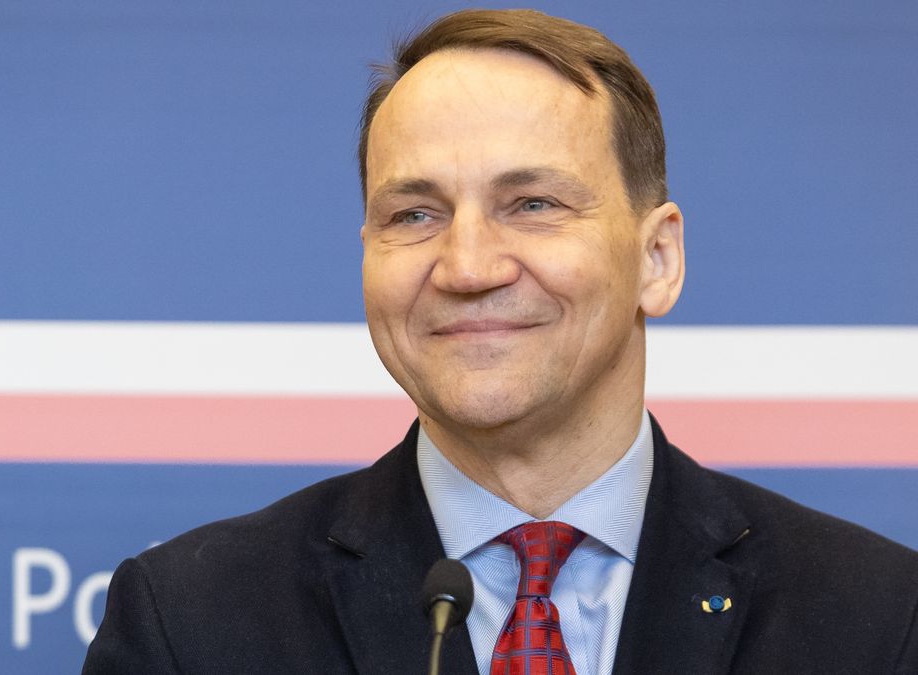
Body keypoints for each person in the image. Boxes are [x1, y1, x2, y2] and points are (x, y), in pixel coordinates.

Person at [83, 9, 918, 674]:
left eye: (533, 204)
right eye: (415, 214)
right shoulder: (189, 623)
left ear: (657, 260)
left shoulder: (877, 616)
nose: (468, 265)